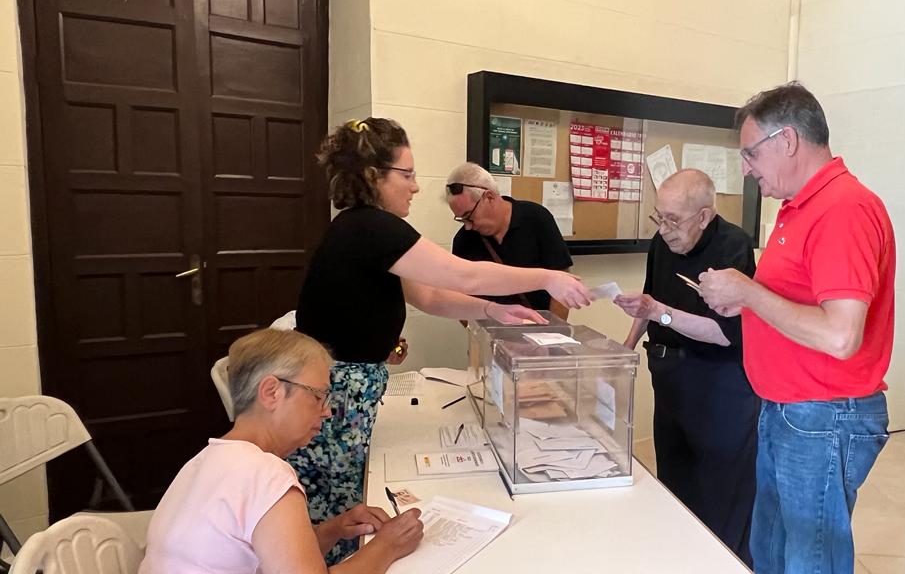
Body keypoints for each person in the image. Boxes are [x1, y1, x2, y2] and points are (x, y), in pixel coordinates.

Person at [292, 118, 593, 563]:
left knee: (345, 506)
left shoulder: (363, 228)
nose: (415, 186)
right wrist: (548, 277)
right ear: (374, 176)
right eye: (407, 174)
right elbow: (464, 275)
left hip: (343, 389)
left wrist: (491, 310)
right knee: (335, 512)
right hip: (331, 396)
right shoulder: (373, 228)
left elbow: (429, 295)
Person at [699, 82, 896, 574]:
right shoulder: (799, 207)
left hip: (823, 417)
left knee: (810, 560)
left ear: (787, 140)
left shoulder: (843, 209)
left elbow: (840, 336)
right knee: (772, 549)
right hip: (789, 410)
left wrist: (748, 293)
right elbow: (795, 304)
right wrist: (743, 302)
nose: (746, 169)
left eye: (751, 153)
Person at [140, 329, 424, 574]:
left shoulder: (201, 462)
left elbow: (274, 558)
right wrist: (388, 546)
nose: (327, 412)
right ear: (272, 392)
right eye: (318, 396)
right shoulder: (265, 475)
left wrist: (333, 529)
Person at [613, 169, 758, 567]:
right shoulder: (662, 242)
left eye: (673, 220)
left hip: (719, 382)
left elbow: (725, 333)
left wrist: (660, 313)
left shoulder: (733, 246)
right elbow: (650, 299)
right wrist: (626, 348)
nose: (663, 230)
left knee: (722, 495)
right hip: (669, 376)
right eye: (658, 217)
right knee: (675, 484)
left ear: (704, 216)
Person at [446, 162, 573, 319]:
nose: (468, 226)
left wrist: (553, 329)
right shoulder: (464, 240)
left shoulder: (536, 218)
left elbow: (562, 282)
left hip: (540, 326)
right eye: (461, 219)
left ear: (489, 197)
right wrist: (476, 331)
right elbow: (459, 298)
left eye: (469, 216)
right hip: (490, 329)